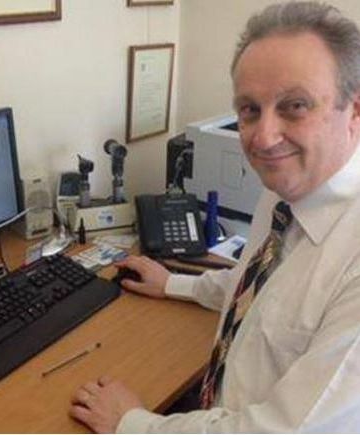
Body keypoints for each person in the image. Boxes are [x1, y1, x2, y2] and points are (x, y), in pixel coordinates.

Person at [69, 1, 360, 432]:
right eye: (249, 109)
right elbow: (260, 290)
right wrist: (174, 284)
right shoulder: (285, 195)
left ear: (354, 112)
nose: (264, 137)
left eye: (295, 105)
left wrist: (131, 423)